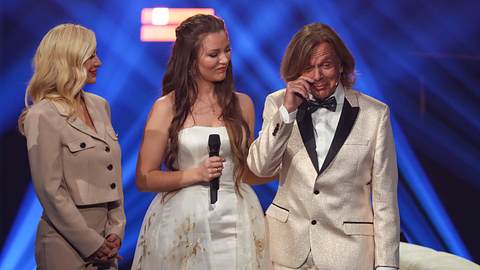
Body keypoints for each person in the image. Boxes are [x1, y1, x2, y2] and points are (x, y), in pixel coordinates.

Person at [247, 23, 400, 270]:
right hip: (285, 252)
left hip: (347, 255)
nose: (317, 76)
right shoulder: (278, 104)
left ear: (341, 65)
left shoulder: (375, 114)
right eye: (308, 67)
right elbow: (261, 168)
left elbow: (385, 200)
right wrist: (287, 113)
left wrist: (387, 266)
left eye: (325, 65)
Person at [131, 14, 270, 269]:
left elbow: (246, 173)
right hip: (184, 221)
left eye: (227, 51)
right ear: (191, 60)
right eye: (214, 54)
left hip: (236, 219)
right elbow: (144, 177)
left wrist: (277, 162)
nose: (225, 60)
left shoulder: (243, 104)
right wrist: (193, 174)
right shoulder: (167, 107)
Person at [19, 24, 126, 269]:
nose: (98, 62)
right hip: (65, 243)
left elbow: (113, 176)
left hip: (107, 243)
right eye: (91, 55)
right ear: (69, 59)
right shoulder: (42, 115)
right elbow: (50, 190)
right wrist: (91, 243)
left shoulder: (101, 105)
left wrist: (116, 230)